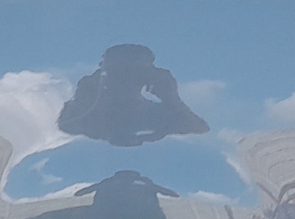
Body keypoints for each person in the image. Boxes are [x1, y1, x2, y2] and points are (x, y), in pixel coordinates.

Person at [56, 44, 209, 146]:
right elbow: (65, 131)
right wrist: (83, 98)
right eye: (117, 72)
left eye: (133, 73)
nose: (125, 79)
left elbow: (199, 131)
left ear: (148, 76)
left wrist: (171, 98)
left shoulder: (162, 113)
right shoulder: (89, 113)